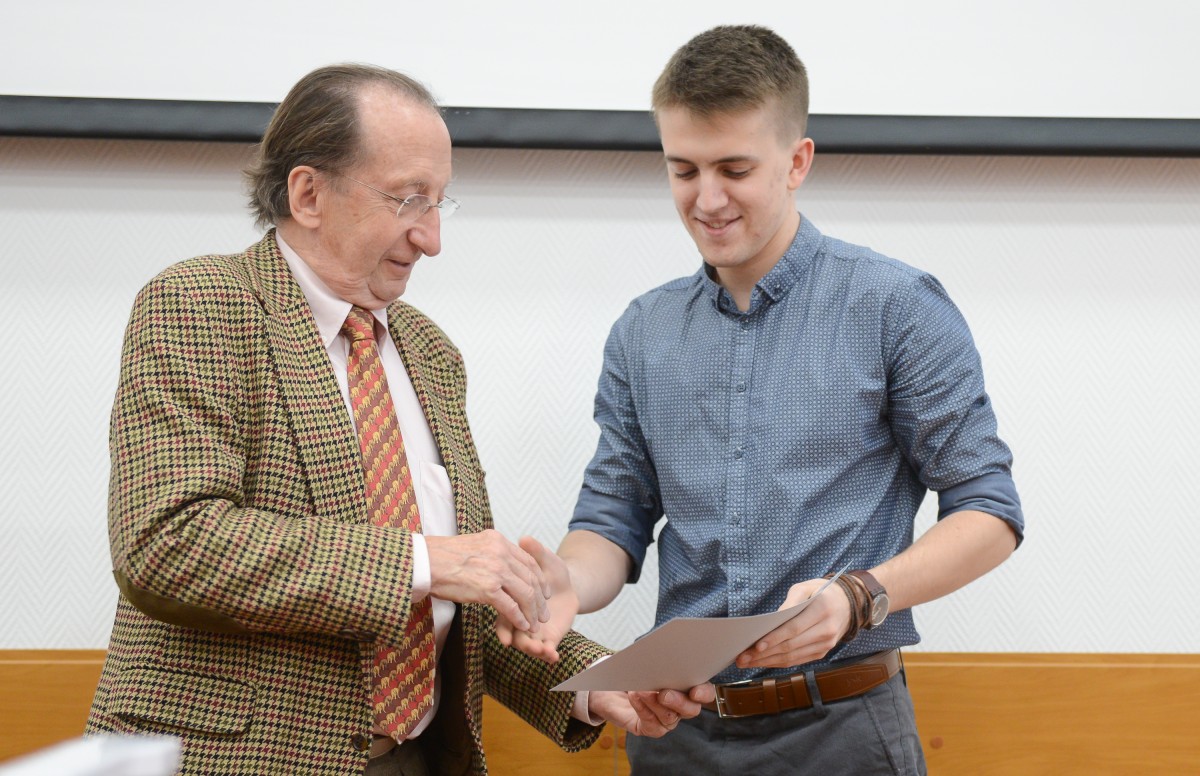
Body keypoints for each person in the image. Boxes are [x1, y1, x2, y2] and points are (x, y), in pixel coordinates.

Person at [84, 63, 706, 775]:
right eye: (410, 200)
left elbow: (460, 600)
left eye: (440, 203)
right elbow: (169, 543)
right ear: (309, 194)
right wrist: (428, 560)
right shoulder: (200, 305)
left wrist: (596, 682)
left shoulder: (430, 353)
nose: (432, 238)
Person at [517, 25, 1024, 775]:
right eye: (683, 170)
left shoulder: (897, 306)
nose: (706, 199)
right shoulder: (642, 331)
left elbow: (990, 513)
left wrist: (860, 596)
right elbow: (613, 517)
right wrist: (569, 582)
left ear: (797, 162)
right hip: (678, 732)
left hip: (844, 732)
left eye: (734, 169)